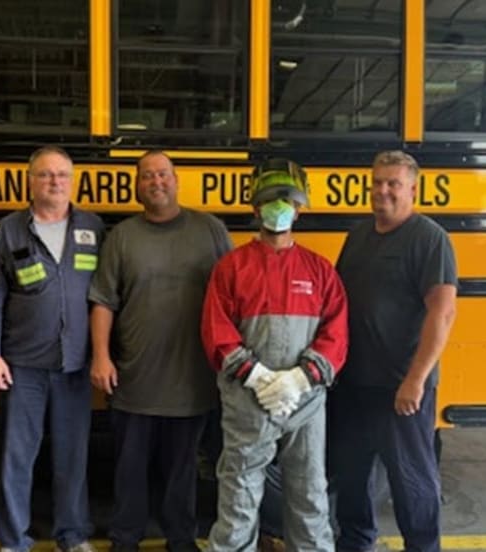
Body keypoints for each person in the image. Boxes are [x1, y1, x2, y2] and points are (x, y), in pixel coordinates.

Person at [201, 158, 348, 552]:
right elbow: (217, 330)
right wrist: (258, 377)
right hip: (248, 401)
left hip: (306, 402)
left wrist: (300, 379)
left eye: (287, 201)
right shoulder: (232, 268)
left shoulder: (320, 271)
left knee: (309, 494)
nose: (279, 208)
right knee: (238, 497)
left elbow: (336, 332)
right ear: (254, 208)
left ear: (300, 209)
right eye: (270, 200)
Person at [89, 150, 233, 552]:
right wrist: (101, 355)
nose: (157, 182)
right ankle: (125, 539)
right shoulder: (121, 237)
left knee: (181, 471)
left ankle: (180, 539)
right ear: (137, 186)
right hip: (133, 379)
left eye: (163, 174)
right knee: (129, 469)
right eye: (148, 176)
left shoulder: (210, 230)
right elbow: (103, 301)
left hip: (193, 380)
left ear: (176, 180)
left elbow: (233, 294)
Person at [0, 146, 104, 552]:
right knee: (17, 457)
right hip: (21, 367)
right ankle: (14, 540)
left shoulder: (95, 228)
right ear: (30, 181)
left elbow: (108, 298)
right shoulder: (8, 231)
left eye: (62, 175)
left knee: (73, 457)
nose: (55, 182)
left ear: (72, 180)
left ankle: (73, 535)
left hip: (75, 366)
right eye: (46, 175)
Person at [331, 150, 458, 552]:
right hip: (354, 384)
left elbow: (443, 312)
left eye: (393, 184)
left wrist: (416, 380)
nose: (382, 191)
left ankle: (422, 547)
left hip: (400, 389)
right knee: (350, 479)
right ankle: (357, 543)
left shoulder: (429, 239)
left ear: (413, 190)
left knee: (411, 482)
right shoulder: (359, 236)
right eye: (377, 183)